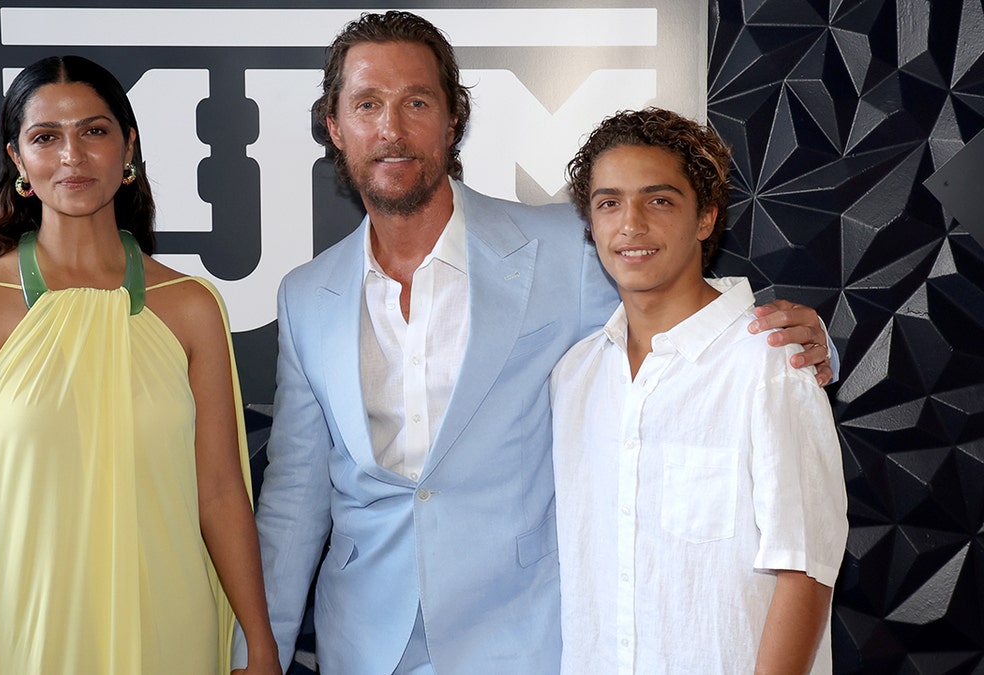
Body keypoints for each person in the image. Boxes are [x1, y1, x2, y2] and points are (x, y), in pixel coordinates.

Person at [235, 12, 836, 674]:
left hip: (521, 637)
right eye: (368, 104)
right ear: (334, 125)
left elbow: (658, 288)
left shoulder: (560, 248)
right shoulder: (305, 296)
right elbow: (294, 501)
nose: (391, 128)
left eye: (416, 102)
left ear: (453, 120)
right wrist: (256, 651)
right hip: (363, 643)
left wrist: (775, 334)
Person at [0, 55, 281, 675]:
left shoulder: (191, 306)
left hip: (169, 625)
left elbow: (219, 492)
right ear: (17, 160)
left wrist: (260, 643)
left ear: (128, 146)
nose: (72, 156)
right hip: (23, 632)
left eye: (94, 131)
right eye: (46, 137)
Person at [552, 107, 848, 673]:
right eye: (608, 202)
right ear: (590, 223)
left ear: (707, 217)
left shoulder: (769, 362)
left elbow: (807, 566)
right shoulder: (575, 378)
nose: (631, 224)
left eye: (659, 200)